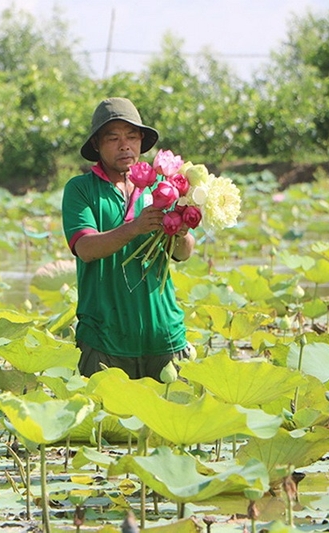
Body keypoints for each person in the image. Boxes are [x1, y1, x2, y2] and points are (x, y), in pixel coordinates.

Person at [61, 97, 195, 381]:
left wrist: (181, 231)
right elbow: (85, 248)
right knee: (105, 412)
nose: (124, 145)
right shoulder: (81, 189)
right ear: (96, 144)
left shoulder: (165, 186)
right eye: (113, 138)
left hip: (164, 337)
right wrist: (134, 228)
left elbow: (183, 253)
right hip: (104, 340)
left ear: (141, 142)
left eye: (132, 137)